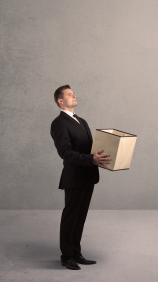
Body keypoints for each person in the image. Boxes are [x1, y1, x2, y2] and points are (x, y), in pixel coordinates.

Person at [50, 85, 111, 270]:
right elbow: (65, 152)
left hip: (88, 176)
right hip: (74, 177)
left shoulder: (81, 121)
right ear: (61, 101)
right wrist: (91, 158)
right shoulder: (58, 123)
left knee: (80, 217)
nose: (74, 95)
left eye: (74, 93)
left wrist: (104, 155)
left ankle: (77, 253)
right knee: (70, 217)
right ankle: (66, 256)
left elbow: (89, 148)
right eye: (69, 94)